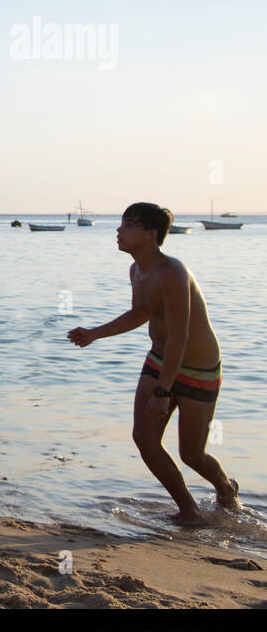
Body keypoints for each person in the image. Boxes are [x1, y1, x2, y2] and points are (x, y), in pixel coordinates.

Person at [68, 203, 239, 524]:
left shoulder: (173, 272)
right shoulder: (136, 270)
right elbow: (139, 314)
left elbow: (180, 335)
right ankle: (189, 510)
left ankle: (226, 488)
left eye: (128, 225)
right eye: (121, 224)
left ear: (150, 234)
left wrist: (163, 391)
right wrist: (94, 334)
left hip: (198, 368)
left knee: (192, 454)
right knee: (144, 438)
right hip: (159, 359)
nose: (119, 231)